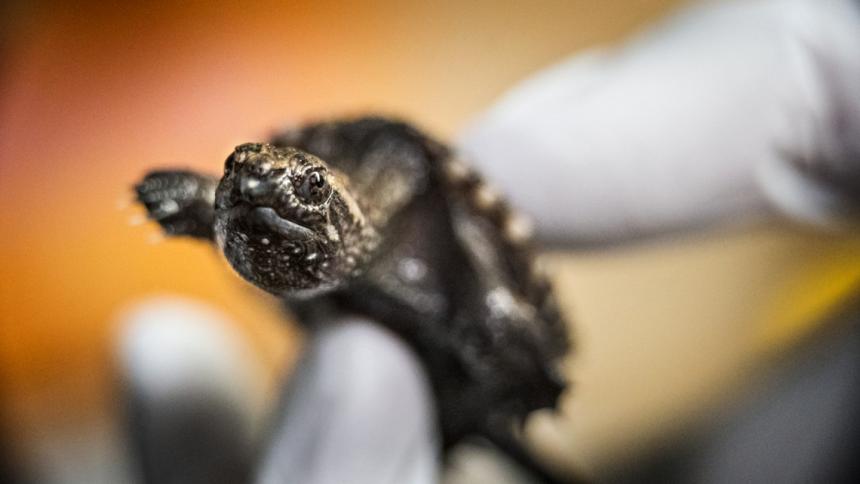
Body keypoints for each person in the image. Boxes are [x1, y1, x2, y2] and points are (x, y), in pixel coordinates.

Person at [118, 0, 860, 482]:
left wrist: (516, 351)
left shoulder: (403, 190)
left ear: (341, 197)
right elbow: (244, 200)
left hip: (474, 364)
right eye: (237, 184)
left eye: (308, 191)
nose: (262, 191)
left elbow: (490, 291)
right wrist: (198, 201)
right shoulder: (259, 212)